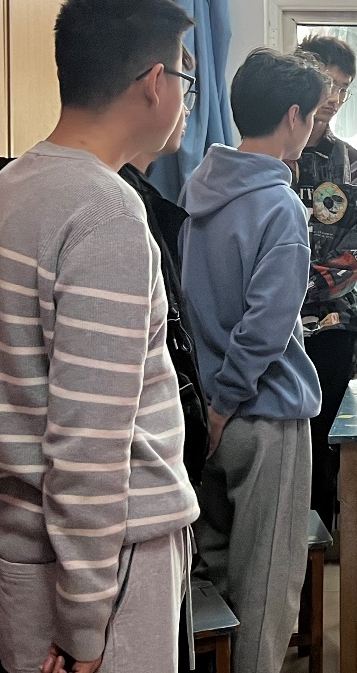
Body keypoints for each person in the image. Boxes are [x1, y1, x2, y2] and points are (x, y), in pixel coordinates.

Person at [0, 0, 200, 673]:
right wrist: (83, 623)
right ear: (155, 83)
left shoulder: (14, 183)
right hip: (105, 565)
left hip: (32, 553)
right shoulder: (107, 211)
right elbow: (90, 438)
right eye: (184, 78)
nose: (184, 96)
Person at [180, 47, 330, 673]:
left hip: (208, 415)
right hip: (263, 414)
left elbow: (189, 307)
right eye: (313, 116)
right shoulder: (280, 206)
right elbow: (267, 327)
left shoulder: (199, 193)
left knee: (213, 571)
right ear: (293, 116)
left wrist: (212, 406)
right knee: (267, 586)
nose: (313, 128)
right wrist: (228, 400)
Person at [286, 35, 357, 534]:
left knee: (325, 442)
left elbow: (356, 254)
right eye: (328, 84)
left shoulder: (355, 169)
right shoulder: (268, 154)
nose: (335, 98)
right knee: (279, 443)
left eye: (344, 89)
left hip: (332, 325)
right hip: (266, 326)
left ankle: (320, 553)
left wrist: (294, 289)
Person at [119, 44, 210, 491]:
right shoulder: (120, 207)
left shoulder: (146, 197)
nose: (187, 110)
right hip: (140, 473)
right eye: (185, 89)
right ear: (155, 85)